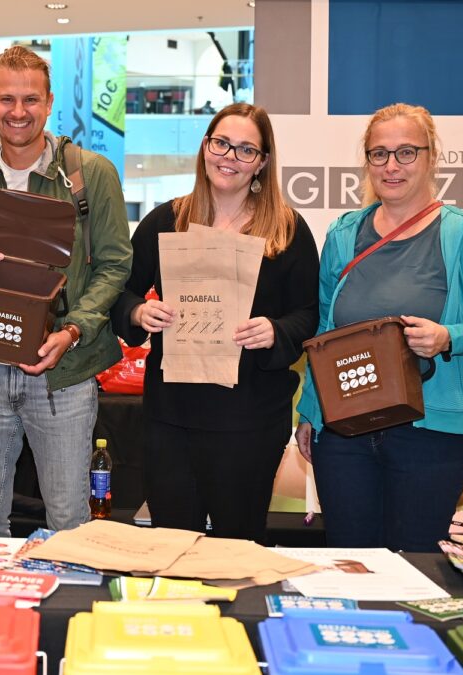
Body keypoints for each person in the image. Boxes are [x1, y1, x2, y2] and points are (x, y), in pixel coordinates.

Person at [294, 103, 463, 553]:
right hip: (344, 434)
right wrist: (310, 413)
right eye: (379, 154)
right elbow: (324, 331)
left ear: (432, 157)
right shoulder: (343, 234)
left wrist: (448, 337)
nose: (391, 165)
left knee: (418, 565)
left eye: (406, 152)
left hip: (429, 437)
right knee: (352, 562)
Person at [0, 46, 132, 537]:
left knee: (69, 524)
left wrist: (72, 331)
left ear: (49, 103)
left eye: (30, 99)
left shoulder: (91, 175)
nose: (18, 111)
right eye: (6, 99)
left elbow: (115, 264)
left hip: (63, 373)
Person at [110, 103, 319, 542]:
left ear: (262, 162)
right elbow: (119, 292)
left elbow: (308, 314)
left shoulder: (288, 230)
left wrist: (276, 331)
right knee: (172, 545)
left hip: (250, 420)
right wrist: (138, 311)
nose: (230, 157)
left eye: (246, 149)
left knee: (237, 547)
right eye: (221, 143)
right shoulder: (165, 221)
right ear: (205, 147)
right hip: (172, 418)